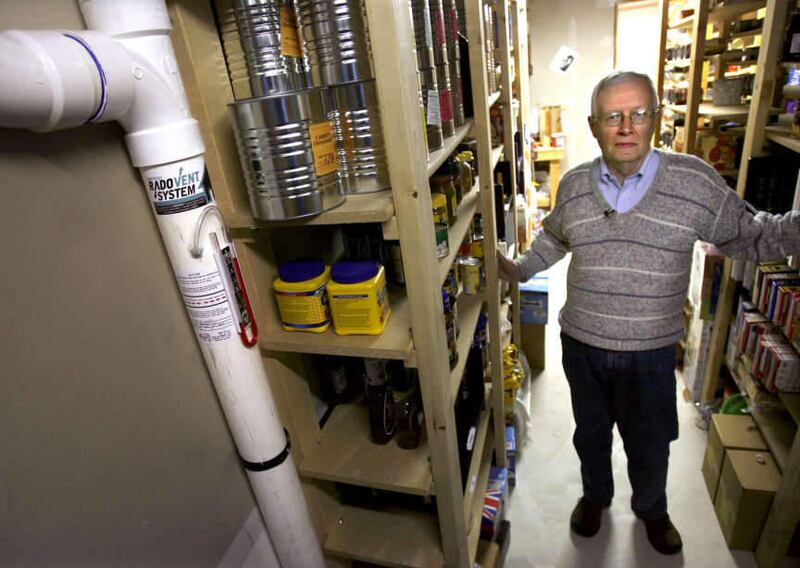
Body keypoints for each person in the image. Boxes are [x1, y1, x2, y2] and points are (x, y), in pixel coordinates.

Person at [497, 70, 800, 555]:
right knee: (590, 435)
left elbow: (751, 233)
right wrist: (518, 267)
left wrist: (795, 229)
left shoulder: (694, 181)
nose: (626, 127)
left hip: (652, 353)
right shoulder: (574, 185)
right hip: (584, 346)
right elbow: (554, 237)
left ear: (655, 119)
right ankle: (596, 497)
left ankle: (651, 509)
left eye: (639, 114)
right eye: (613, 116)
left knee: (650, 442)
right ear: (594, 125)